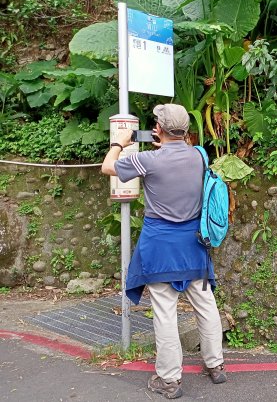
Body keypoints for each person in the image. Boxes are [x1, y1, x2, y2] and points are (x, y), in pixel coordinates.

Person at [101, 104, 226, 399]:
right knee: (205, 303)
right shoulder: (199, 156)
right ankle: (216, 365)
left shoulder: (150, 159)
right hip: (195, 245)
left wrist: (120, 142)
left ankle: (169, 380)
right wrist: (170, 144)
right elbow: (183, 154)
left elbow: (108, 167)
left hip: (160, 247)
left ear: (158, 128)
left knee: (165, 311)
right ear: (185, 130)